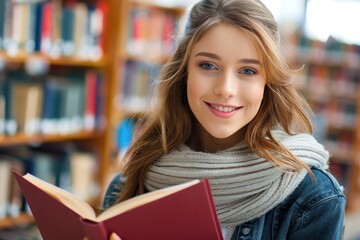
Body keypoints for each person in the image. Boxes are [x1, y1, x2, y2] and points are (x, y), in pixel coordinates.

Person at [102, 0, 346, 239]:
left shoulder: (314, 198)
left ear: (268, 83)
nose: (226, 89)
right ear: (184, 72)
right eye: (208, 65)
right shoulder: (127, 186)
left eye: (248, 71)